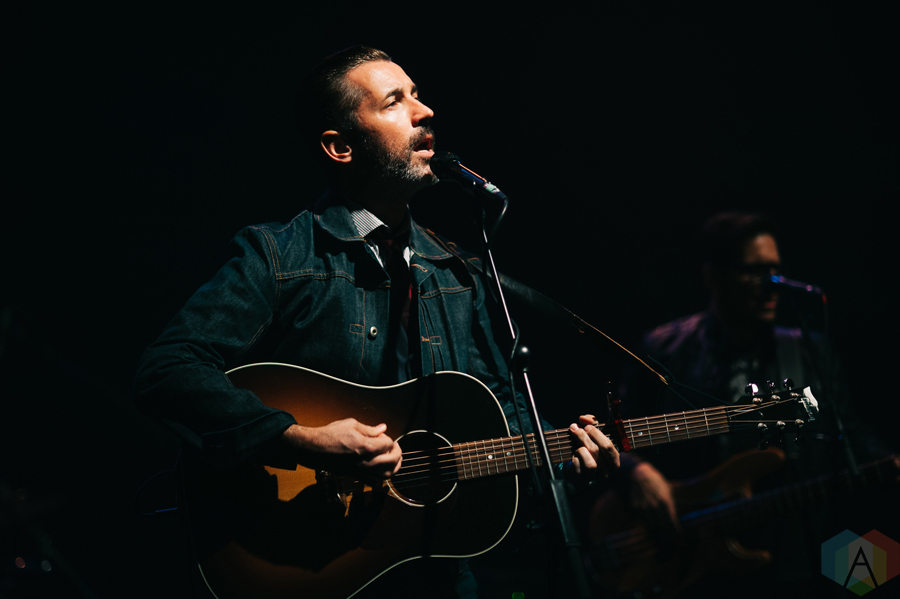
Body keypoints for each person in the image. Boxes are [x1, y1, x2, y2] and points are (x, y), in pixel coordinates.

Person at [132, 45, 618, 598]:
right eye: (394, 101)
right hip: (310, 559)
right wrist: (299, 440)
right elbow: (166, 370)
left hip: (435, 573)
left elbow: (498, 411)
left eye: (417, 95)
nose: (424, 111)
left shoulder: (455, 269)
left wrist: (562, 457)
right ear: (340, 147)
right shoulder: (279, 255)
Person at [603, 212, 891, 598]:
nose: (772, 284)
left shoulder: (806, 350)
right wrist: (637, 472)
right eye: (754, 271)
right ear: (714, 276)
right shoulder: (664, 348)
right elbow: (616, 436)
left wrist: (887, 462)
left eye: (775, 270)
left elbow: (850, 434)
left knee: (886, 572)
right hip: (693, 561)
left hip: (796, 547)